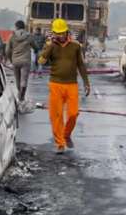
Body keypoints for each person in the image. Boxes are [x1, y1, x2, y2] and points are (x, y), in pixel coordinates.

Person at [38, 18, 91, 153]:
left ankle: (66, 135)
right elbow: (41, 62)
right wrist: (48, 47)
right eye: (57, 33)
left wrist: (86, 82)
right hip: (55, 84)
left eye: (62, 33)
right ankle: (60, 143)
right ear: (53, 33)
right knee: (56, 115)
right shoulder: (50, 46)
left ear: (67, 32)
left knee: (73, 113)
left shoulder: (75, 46)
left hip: (71, 84)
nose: (60, 36)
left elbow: (81, 65)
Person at [5, 20, 33, 102]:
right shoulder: (29, 36)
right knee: (24, 79)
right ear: (24, 27)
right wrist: (36, 49)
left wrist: (10, 59)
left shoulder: (12, 36)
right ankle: (22, 95)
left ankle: (19, 94)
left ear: (16, 27)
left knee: (17, 79)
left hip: (15, 60)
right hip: (26, 60)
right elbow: (35, 46)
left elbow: (7, 50)